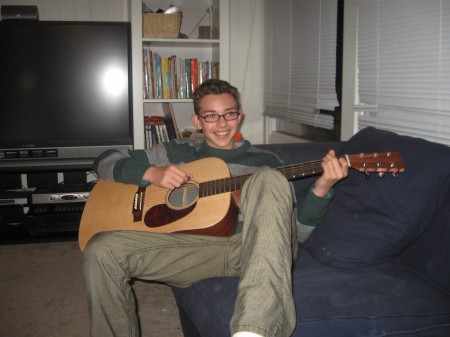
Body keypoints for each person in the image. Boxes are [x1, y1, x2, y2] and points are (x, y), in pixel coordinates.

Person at [82, 79, 348, 337]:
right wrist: (151, 173)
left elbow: (297, 235)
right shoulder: (177, 151)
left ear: (240, 115)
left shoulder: (267, 161)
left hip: (254, 247)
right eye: (211, 116)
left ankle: (255, 330)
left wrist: (321, 188)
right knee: (101, 249)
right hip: (196, 250)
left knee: (267, 178)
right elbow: (105, 160)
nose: (222, 123)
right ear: (197, 121)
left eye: (229, 114)